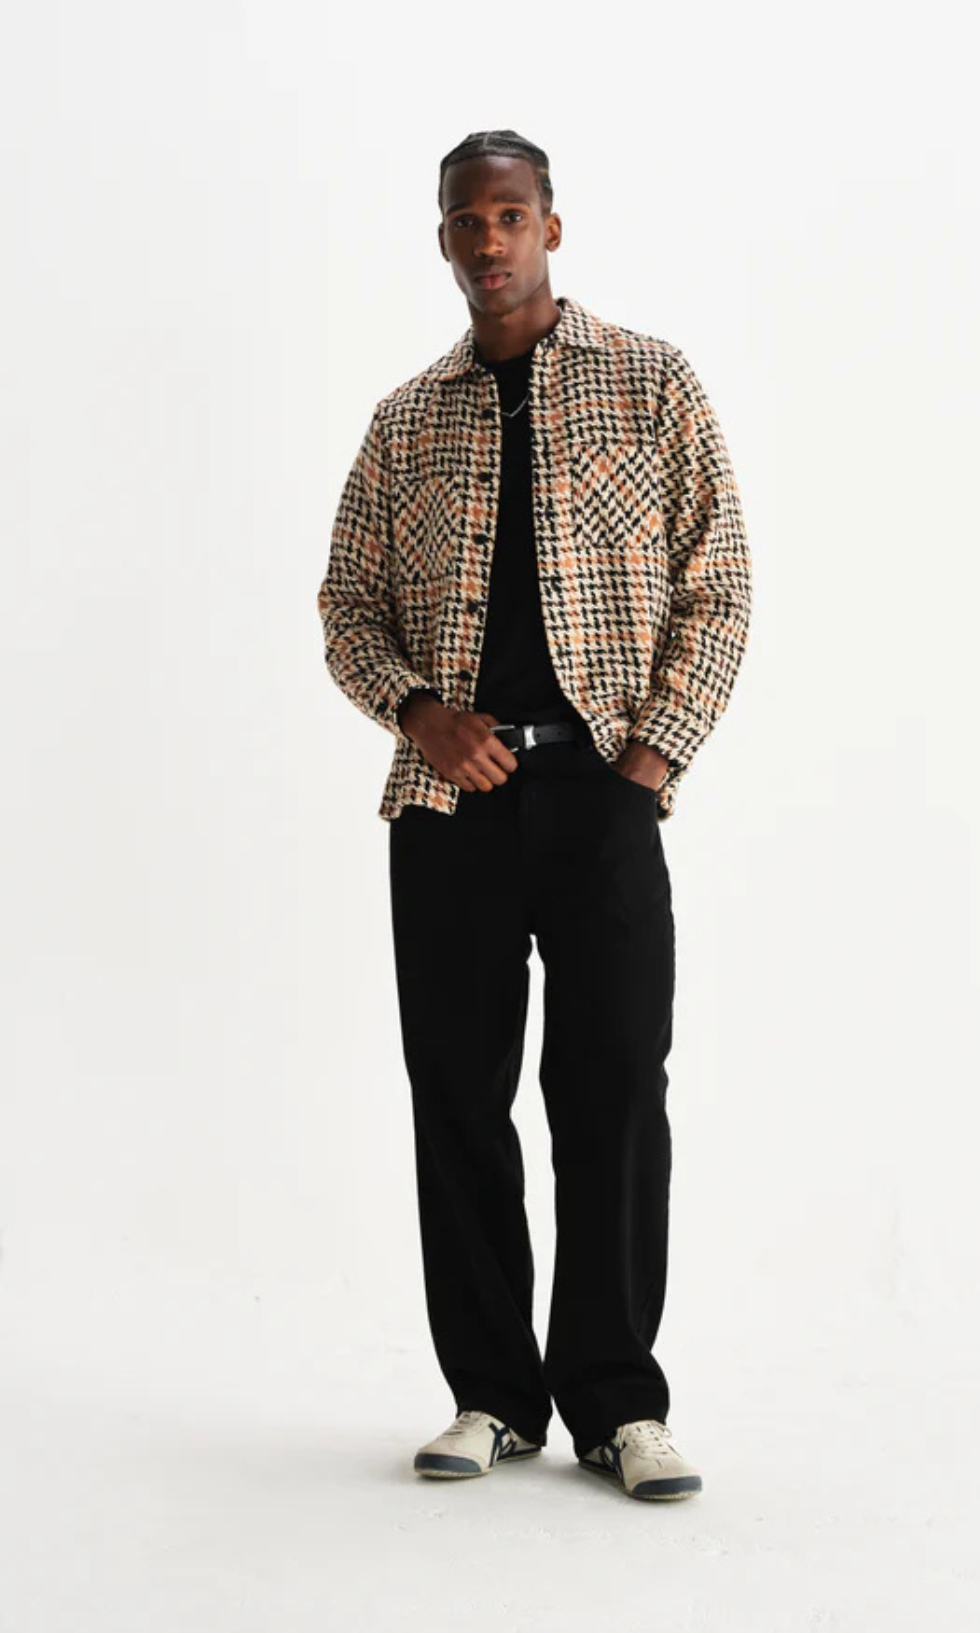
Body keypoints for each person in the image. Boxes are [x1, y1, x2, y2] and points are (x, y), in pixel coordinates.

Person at [316, 129, 752, 1501]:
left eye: (510, 215)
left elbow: (720, 582)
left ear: (551, 228)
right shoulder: (405, 421)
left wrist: (649, 762)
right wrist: (420, 714)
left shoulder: (651, 380)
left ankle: (619, 1402)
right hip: (452, 800)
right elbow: (346, 607)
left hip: (605, 789)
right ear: (445, 240)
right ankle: (492, 1397)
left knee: (615, 1087)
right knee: (458, 1094)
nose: (489, 240)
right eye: (467, 220)